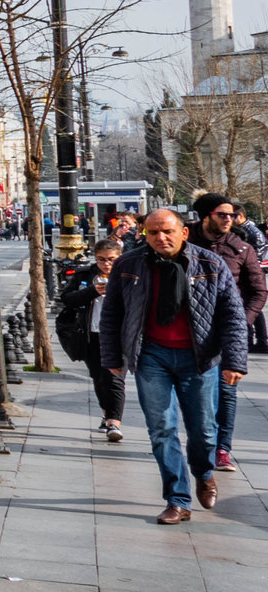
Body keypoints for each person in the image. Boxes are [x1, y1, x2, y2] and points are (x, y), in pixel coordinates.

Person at [104, 208, 249, 523]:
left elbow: (233, 316)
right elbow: (112, 313)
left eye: (167, 231)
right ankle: (177, 499)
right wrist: (112, 358)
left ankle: (204, 471)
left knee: (204, 431)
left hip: (199, 360)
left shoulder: (211, 264)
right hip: (151, 356)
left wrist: (235, 361)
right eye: (153, 232)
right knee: (161, 429)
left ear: (184, 232)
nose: (161, 238)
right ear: (145, 234)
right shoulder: (129, 264)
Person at [193, 192, 268, 474]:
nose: (229, 220)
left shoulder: (242, 249)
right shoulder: (184, 244)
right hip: (191, 332)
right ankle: (202, 443)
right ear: (206, 216)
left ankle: (222, 448)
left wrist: (242, 322)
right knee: (195, 392)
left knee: (227, 390)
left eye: (232, 215)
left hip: (228, 332)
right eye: (222, 214)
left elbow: (259, 292)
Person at [57, 237, 127, 443]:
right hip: (90, 334)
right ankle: (106, 414)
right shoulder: (85, 276)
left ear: (119, 258)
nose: (106, 264)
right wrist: (91, 291)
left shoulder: (127, 276)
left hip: (117, 335)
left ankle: (114, 423)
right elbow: (67, 299)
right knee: (99, 377)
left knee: (115, 379)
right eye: (101, 259)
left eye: (111, 259)